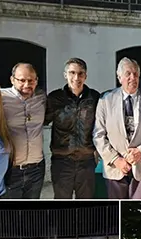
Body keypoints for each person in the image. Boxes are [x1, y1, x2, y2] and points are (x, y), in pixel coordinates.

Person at [93, 57, 141, 199]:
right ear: (119, 77)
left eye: (136, 74)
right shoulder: (105, 100)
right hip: (115, 167)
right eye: (128, 74)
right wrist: (115, 159)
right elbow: (98, 134)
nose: (133, 78)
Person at [45, 58, 100, 199]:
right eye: (72, 73)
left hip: (86, 161)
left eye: (81, 73)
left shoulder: (94, 98)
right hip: (62, 161)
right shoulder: (55, 98)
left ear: (85, 76)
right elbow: (41, 121)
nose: (76, 77)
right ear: (65, 75)